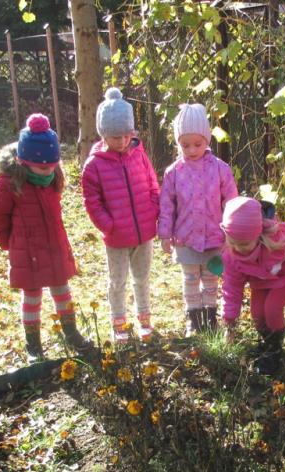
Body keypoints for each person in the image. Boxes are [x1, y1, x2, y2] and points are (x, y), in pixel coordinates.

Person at [0, 114, 91, 362]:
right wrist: (9, 244)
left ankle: (71, 332)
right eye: (41, 166)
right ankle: (33, 343)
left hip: (54, 246)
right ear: (24, 161)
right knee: (32, 297)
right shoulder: (10, 183)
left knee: (62, 291)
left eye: (51, 164)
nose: (47, 169)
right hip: (28, 250)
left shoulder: (53, 178)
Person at [82, 88, 160, 342]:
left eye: (128, 135)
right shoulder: (94, 166)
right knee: (118, 281)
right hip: (116, 237)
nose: (123, 141)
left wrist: (154, 210)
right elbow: (92, 201)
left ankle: (144, 319)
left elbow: (151, 184)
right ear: (103, 134)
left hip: (144, 233)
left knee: (142, 278)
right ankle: (118, 322)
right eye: (116, 137)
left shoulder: (139, 155)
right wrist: (107, 224)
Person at [158, 103, 238, 336]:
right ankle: (193, 317)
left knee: (211, 277)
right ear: (178, 143)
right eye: (185, 145)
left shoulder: (221, 169)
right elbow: (166, 205)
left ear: (207, 140)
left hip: (215, 236)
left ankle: (210, 315)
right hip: (186, 237)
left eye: (198, 144)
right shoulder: (173, 172)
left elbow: (230, 201)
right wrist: (164, 233)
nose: (192, 150)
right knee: (191, 278)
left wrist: (232, 232)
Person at [221, 197, 285, 375]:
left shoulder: (282, 236)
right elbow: (232, 288)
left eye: (243, 244)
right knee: (257, 314)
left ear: (257, 234)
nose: (238, 248)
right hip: (260, 281)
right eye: (232, 242)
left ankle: (274, 350)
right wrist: (229, 319)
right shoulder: (232, 255)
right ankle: (267, 341)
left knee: (272, 309)